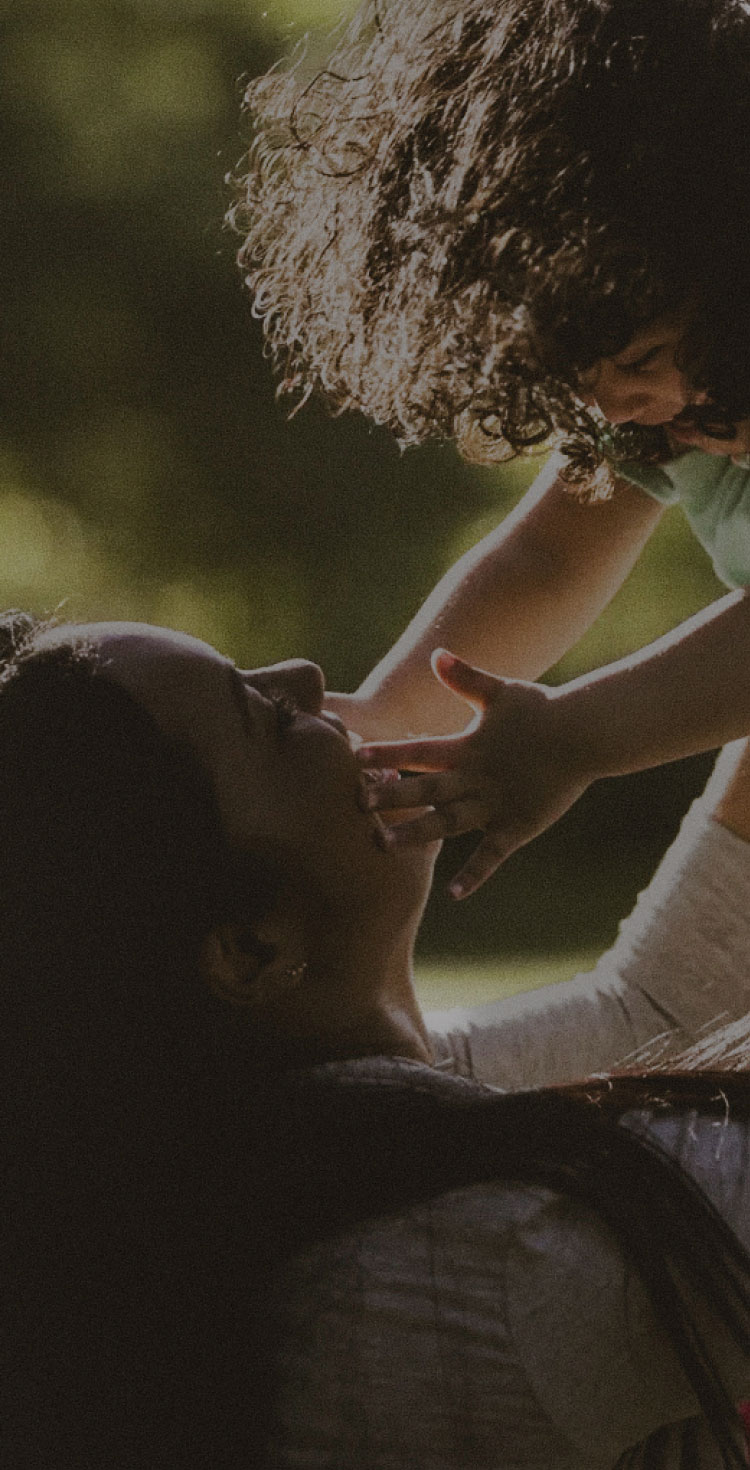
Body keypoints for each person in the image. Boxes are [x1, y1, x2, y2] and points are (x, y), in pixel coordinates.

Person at [2, 610, 750, 1467]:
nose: (310, 674)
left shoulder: (305, 1159)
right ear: (250, 950)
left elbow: (657, 1012)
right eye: (271, 721)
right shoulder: (489, 1259)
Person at [235, 0, 750, 897]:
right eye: (575, 381)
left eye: (639, 359)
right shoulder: (669, 414)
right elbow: (548, 556)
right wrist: (389, 716)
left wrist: (573, 736)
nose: (620, 404)